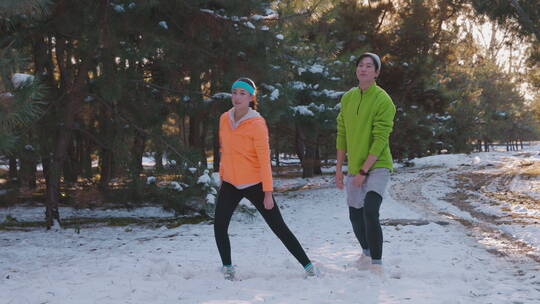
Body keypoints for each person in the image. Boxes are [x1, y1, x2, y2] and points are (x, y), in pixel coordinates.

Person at [214, 77, 318, 280]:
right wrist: (223, 177)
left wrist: (268, 193)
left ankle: (308, 266)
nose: (237, 97)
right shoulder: (224, 119)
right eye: (234, 92)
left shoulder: (257, 123)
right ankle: (228, 268)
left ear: (251, 97)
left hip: (256, 184)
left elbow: (264, 160)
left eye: (242, 93)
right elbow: (224, 151)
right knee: (219, 225)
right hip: (230, 183)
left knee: (278, 227)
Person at [335, 53, 396, 269]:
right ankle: (366, 253)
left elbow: (380, 139)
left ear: (376, 72)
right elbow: (341, 134)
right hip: (353, 167)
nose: (363, 69)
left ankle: (377, 264)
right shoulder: (348, 98)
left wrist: (363, 172)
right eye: (360, 65)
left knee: (370, 209)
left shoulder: (383, 100)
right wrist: (339, 169)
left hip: (378, 165)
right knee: (355, 215)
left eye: (369, 66)